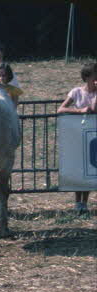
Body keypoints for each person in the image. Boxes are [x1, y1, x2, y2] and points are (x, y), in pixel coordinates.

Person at [58, 61, 96, 214]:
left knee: (88, 169)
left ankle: (85, 202)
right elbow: (61, 109)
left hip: (92, 137)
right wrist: (79, 111)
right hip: (76, 135)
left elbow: (94, 108)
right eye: (95, 75)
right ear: (87, 77)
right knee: (77, 167)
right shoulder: (76, 92)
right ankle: (77, 202)